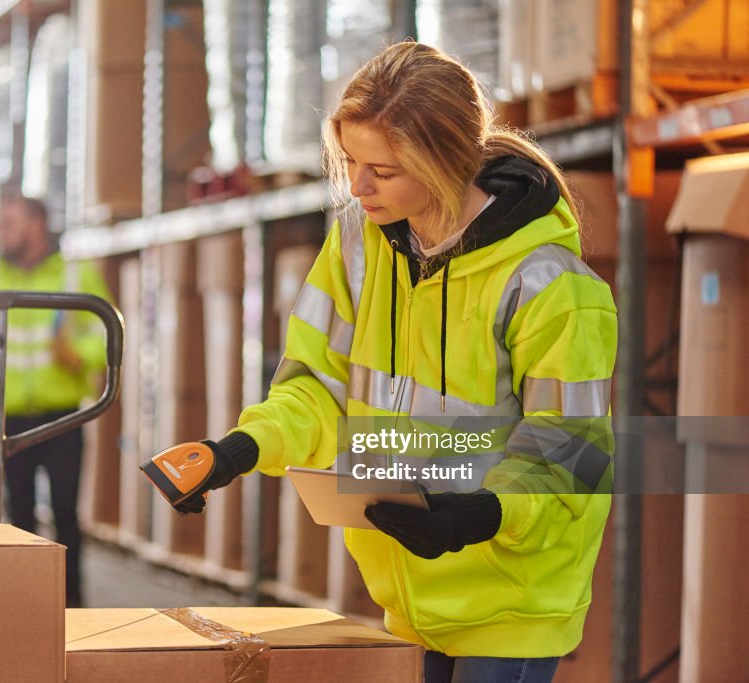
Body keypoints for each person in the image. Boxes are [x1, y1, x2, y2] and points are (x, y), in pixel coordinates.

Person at [156, 41, 617, 682]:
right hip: (408, 597)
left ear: (447, 163)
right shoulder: (356, 251)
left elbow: (571, 448)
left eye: (385, 169)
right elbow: (315, 387)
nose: (357, 185)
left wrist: (484, 513)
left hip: (514, 597)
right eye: (349, 160)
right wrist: (235, 450)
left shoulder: (549, 285)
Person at [0, 192, 111, 608]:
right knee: (17, 517)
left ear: (37, 226)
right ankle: (23, 605)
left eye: (10, 223)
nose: (1, 232)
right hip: (5, 419)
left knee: (65, 514)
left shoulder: (76, 275)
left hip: (62, 418)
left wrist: (78, 355)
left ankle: (71, 606)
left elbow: (106, 335)